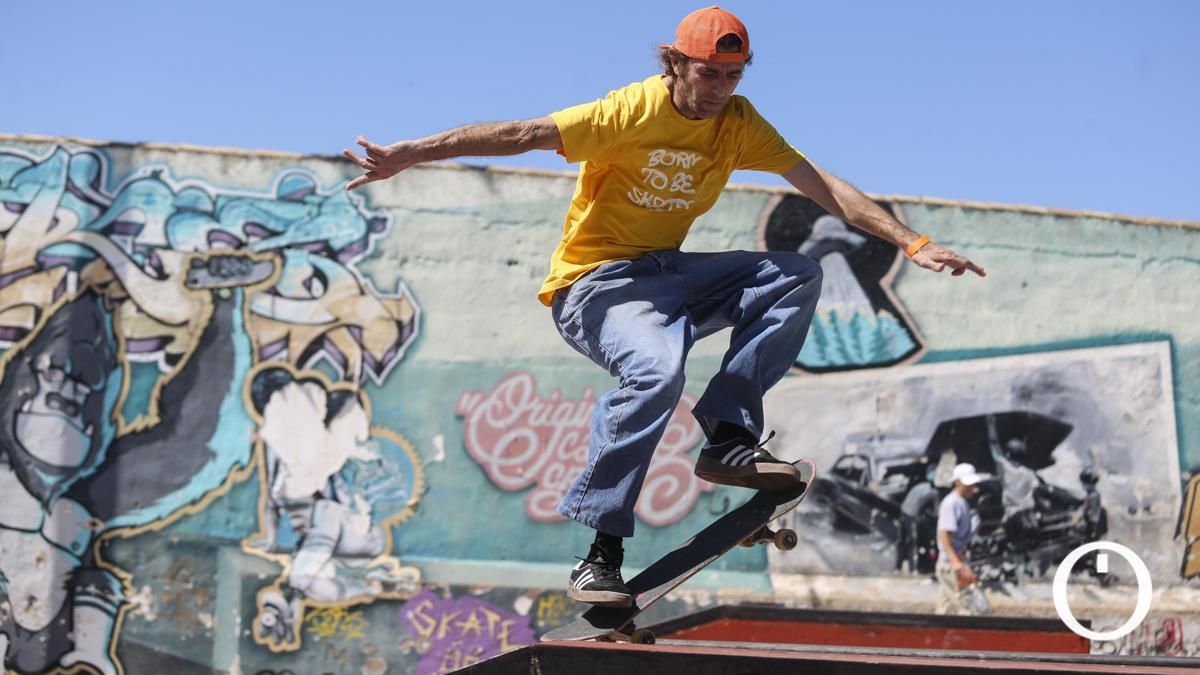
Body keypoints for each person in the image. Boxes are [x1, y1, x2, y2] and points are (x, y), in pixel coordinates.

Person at [344, 6, 986, 607]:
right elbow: (520, 133)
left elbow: (822, 186)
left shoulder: (740, 124)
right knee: (656, 371)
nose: (718, 91)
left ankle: (729, 437)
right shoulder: (628, 111)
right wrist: (409, 154)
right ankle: (600, 552)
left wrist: (914, 241)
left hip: (669, 278)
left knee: (795, 274)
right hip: (595, 286)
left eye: (732, 77)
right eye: (708, 74)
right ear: (675, 63)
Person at [936, 463, 993, 615]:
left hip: (955, 560)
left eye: (973, 484)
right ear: (956, 483)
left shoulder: (962, 503)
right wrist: (955, 561)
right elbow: (944, 533)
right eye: (968, 484)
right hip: (951, 564)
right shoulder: (952, 503)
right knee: (968, 608)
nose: (972, 488)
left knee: (946, 609)